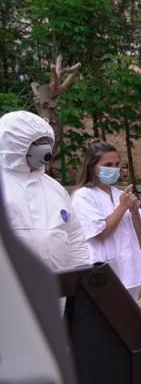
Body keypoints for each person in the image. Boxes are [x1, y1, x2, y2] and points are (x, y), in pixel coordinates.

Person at [0, 111, 90, 271]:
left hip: (59, 286)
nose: (45, 147)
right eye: (37, 142)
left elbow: (74, 235)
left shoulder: (54, 188)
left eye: (46, 140)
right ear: (13, 143)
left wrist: (82, 273)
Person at [72, 142, 141, 299]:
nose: (113, 169)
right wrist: (122, 208)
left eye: (116, 164)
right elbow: (99, 233)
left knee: (129, 318)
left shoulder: (120, 194)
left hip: (130, 269)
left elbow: (139, 235)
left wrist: (134, 212)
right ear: (92, 167)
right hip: (104, 269)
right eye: (108, 164)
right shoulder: (83, 196)